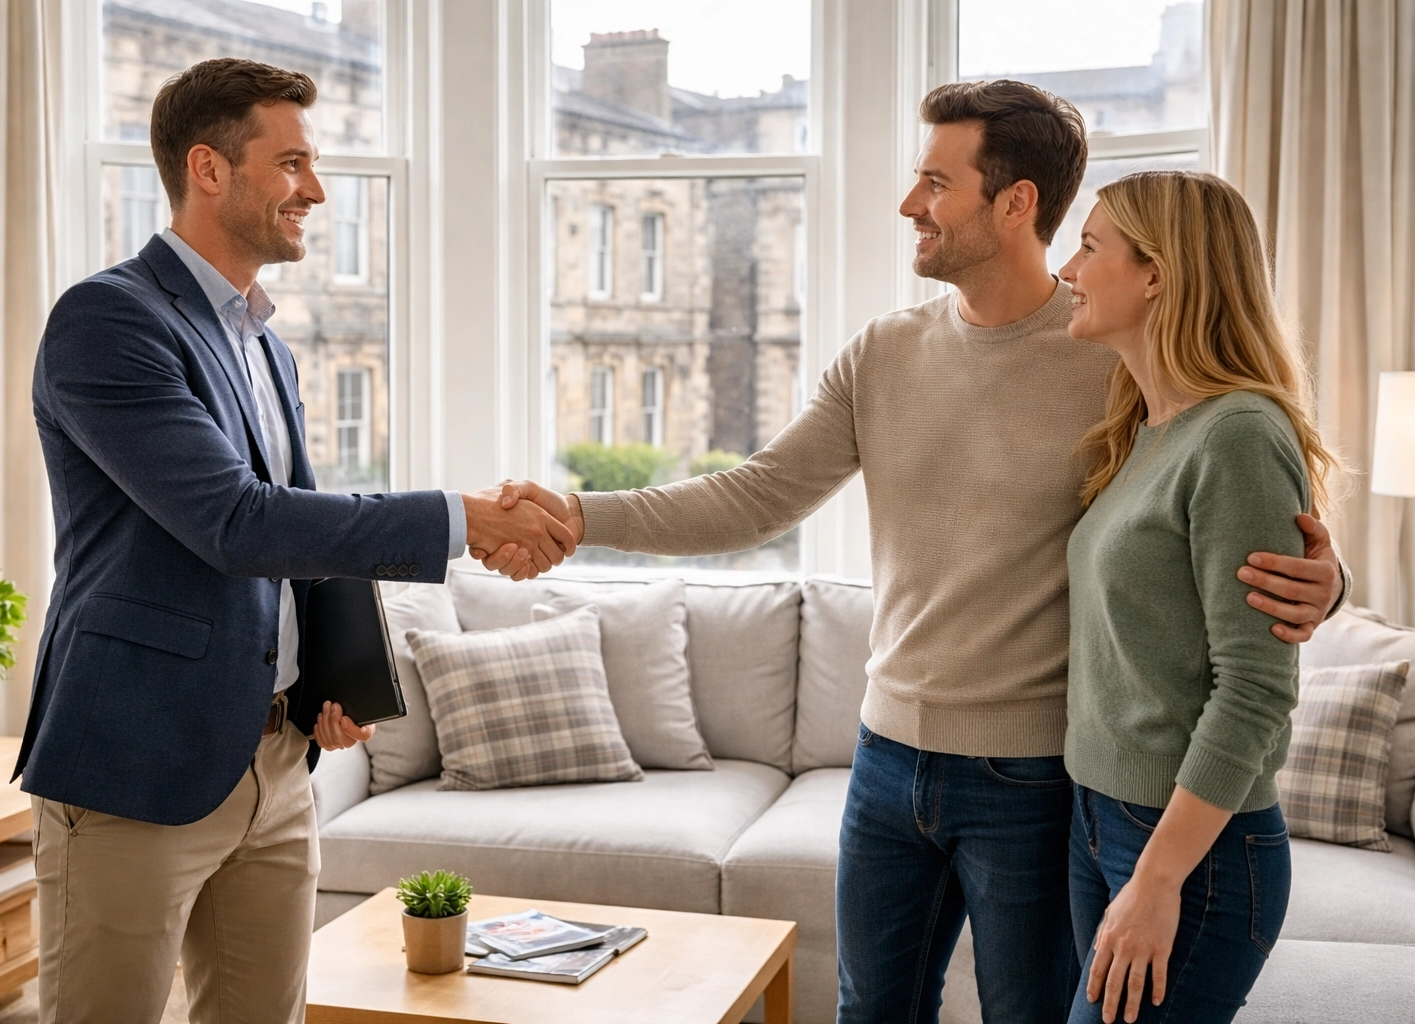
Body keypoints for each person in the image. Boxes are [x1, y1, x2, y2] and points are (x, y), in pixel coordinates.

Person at [477, 81, 1348, 1024]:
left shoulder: (1118, 352)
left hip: (1040, 774)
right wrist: (575, 511)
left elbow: (1221, 506)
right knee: (870, 1009)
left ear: (1015, 203)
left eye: (935, 182)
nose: (908, 206)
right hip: (885, 759)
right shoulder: (885, 353)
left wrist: (1323, 583)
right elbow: (755, 495)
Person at [16, 58, 573, 1024]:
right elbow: (236, 522)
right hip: (137, 761)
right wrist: (462, 517)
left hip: (275, 763)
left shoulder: (264, 341)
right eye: (293, 163)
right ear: (209, 168)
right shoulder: (107, 321)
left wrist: (331, 681)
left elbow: (299, 530)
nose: (316, 190)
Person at [1059, 171, 1331, 1024]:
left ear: (1157, 274)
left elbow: (1255, 687)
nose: (1069, 268)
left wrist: (1157, 878)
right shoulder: (1147, 425)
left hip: (1191, 853)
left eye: (1091, 246)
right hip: (1101, 819)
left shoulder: (1240, 433)